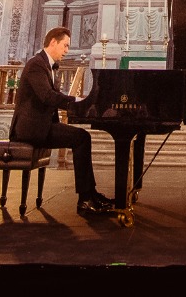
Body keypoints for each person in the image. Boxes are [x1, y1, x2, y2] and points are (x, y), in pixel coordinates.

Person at [10, 26, 111, 216]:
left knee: (82, 137)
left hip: (42, 125)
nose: (66, 50)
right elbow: (47, 96)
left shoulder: (46, 65)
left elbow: (55, 95)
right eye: (65, 46)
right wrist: (76, 102)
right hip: (31, 128)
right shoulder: (36, 64)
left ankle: (91, 195)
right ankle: (85, 199)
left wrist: (78, 102)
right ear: (53, 42)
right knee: (81, 138)